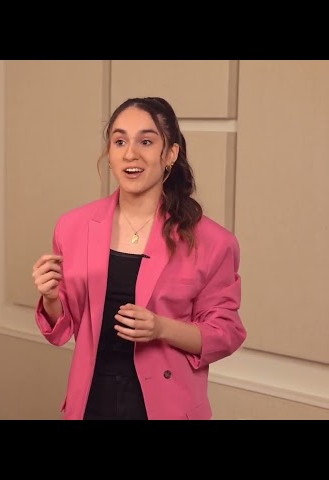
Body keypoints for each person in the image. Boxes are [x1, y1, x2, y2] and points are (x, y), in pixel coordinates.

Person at [31, 96, 247, 420]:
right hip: (91, 403)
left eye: (146, 141)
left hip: (167, 408)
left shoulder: (214, 242)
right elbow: (62, 329)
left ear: (170, 154)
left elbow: (225, 333)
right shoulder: (73, 227)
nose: (130, 153)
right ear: (109, 154)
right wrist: (50, 298)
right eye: (120, 141)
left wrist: (161, 328)